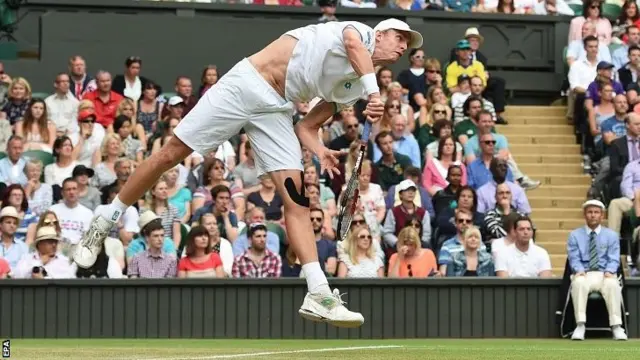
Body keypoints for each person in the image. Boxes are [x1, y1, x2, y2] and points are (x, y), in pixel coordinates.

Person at [73, 19, 422, 328]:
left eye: (408, 45)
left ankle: (318, 292)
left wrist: (319, 150)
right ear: (381, 32)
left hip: (276, 109)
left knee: (298, 199)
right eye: (400, 37)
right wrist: (375, 91)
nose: (403, 46)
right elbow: (351, 46)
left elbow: (306, 127)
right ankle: (106, 218)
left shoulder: (357, 85)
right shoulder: (357, 32)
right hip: (245, 84)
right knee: (170, 154)